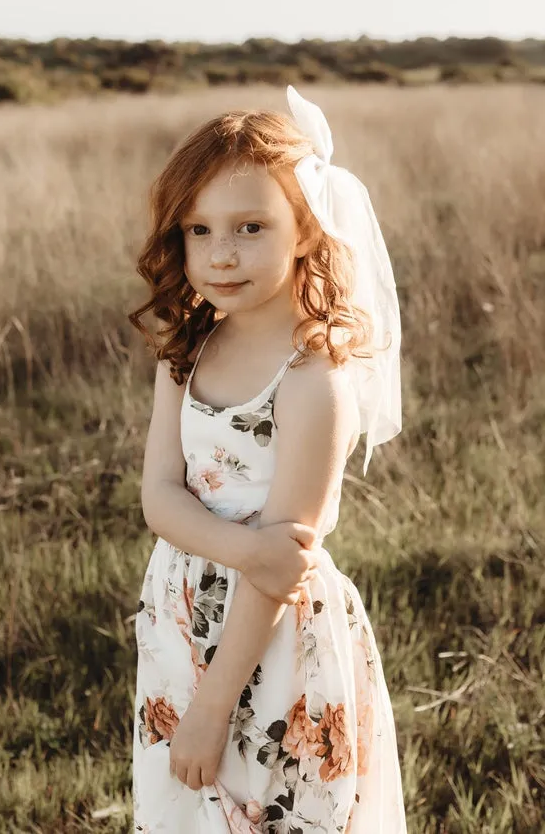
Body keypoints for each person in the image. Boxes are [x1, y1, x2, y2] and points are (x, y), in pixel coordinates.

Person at [128, 85, 407, 833]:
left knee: (267, 810)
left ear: (306, 231)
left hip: (274, 642)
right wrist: (248, 548)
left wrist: (214, 707)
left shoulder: (313, 378)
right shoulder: (186, 351)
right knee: (186, 810)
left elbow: (285, 573)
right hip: (183, 616)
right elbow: (159, 495)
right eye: (199, 229)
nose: (221, 253)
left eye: (251, 226)